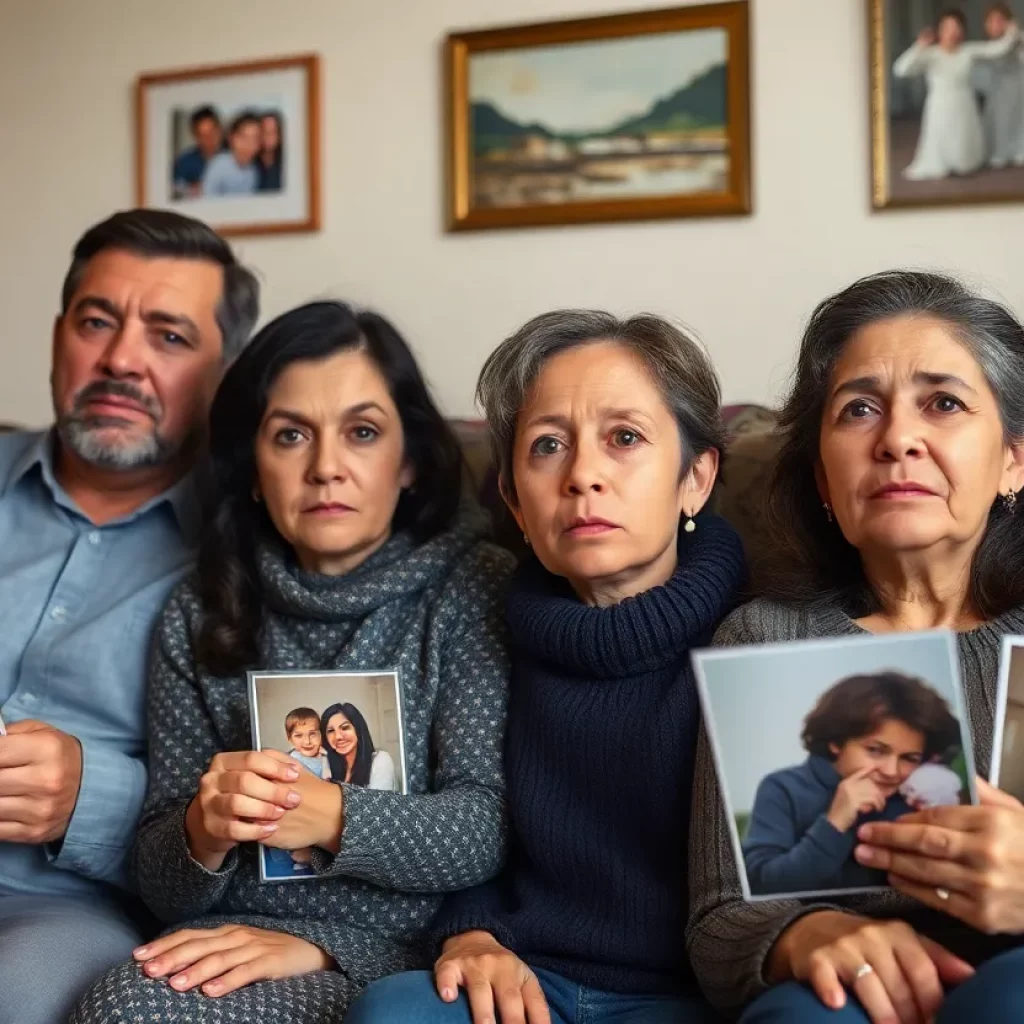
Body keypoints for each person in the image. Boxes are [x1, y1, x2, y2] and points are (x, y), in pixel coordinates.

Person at [70, 301, 514, 1024]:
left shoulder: (473, 586)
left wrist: (333, 814)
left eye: (362, 433)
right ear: (251, 468)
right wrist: (203, 830)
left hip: (403, 951)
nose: (326, 468)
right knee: (122, 1007)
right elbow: (160, 879)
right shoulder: (201, 609)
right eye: (290, 436)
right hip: (228, 941)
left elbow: (486, 827)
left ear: (408, 462)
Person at [346, 310, 746, 1024]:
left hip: (695, 992)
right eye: (548, 446)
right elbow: (465, 826)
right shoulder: (480, 627)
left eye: (624, 439)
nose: (582, 476)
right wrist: (469, 934)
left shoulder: (758, 638)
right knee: (395, 1010)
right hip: (530, 981)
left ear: (696, 476)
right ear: (514, 502)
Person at [687, 270, 1024, 1024]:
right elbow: (716, 921)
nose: (898, 438)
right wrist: (804, 932)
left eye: (943, 403)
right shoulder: (764, 637)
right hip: (840, 994)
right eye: (859, 409)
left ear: (1014, 460)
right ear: (823, 479)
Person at [0, 208, 258, 1024]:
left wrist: (93, 796)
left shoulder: (263, 553)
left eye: (170, 337)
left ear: (228, 375)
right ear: (57, 336)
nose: (120, 360)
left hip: (61, 906)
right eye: (97, 322)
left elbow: (278, 795)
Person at [743, 671, 961, 897]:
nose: (891, 772)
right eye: (875, 750)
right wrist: (834, 824)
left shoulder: (916, 796)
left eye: (909, 758)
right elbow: (761, 887)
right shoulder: (782, 788)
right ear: (836, 742)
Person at [893, 11, 1021, 181]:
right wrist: (919, 46)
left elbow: (996, 50)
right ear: (940, 31)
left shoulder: (968, 51)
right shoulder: (931, 54)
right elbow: (900, 69)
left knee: (965, 145)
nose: (953, 31)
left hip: (965, 104)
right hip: (940, 105)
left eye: (957, 27)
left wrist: (1012, 32)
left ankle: (965, 162)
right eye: (948, 27)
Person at [979, 3, 1024, 168]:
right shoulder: (989, 46)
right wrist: (1011, 36)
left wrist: (1015, 34)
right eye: (991, 21)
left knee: (1019, 119)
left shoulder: (1017, 37)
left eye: (1000, 20)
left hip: (1019, 87)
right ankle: (1000, 151)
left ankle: (1019, 149)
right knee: (1000, 119)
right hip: (998, 90)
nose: (995, 24)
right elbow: (999, 51)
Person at [322, 702, 396, 790]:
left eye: (345, 728)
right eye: (331, 731)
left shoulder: (380, 760)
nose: (338, 736)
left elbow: (379, 803)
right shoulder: (327, 766)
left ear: (358, 729)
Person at [202, 111, 262, 196]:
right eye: (244, 138)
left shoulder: (254, 171)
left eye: (255, 139)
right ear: (231, 138)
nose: (249, 145)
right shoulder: (218, 165)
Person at [172, 105, 224, 198]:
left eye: (212, 132)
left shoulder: (233, 156)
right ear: (195, 136)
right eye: (203, 135)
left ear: (220, 130)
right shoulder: (184, 161)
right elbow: (177, 191)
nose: (209, 139)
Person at [284, 707, 329, 779]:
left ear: (321, 734)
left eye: (312, 734)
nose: (307, 741)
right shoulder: (289, 759)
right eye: (299, 735)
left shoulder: (326, 756)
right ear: (289, 738)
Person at [257, 111, 284, 192]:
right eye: (264, 131)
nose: (268, 136)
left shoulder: (287, 162)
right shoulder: (251, 162)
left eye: (273, 132)